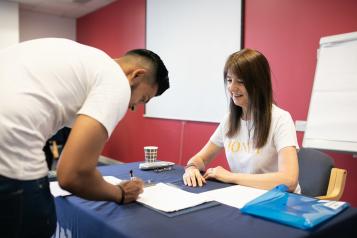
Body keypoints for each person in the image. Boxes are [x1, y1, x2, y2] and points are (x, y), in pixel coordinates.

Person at [0, 38, 169, 238]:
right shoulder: (115, 80)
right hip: (10, 160)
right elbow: (73, 175)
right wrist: (121, 193)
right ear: (136, 75)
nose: (132, 106)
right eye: (143, 99)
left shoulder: (81, 59)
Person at [182, 48, 300, 194]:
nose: (231, 87)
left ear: (259, 84)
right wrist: (191, 168)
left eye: (240, 81)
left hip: (279, 201)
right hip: (244, 197)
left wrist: (231, 177)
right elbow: (200, 158)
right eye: (229, 80)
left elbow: (289, 181)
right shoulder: (229, 120)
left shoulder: (281, 119)